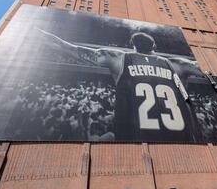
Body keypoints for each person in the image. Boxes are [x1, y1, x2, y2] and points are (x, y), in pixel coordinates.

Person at [37, 29, 195, 142]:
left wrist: (37, 32)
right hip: (182, 141)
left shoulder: (119, 58)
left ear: (133, 46)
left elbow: (69, 48)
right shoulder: (176, 64)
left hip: (133, 142)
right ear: (154, 47)